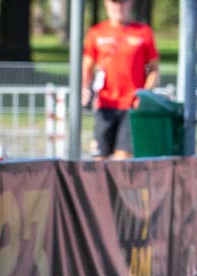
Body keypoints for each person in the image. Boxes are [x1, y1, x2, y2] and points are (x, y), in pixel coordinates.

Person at [82, 0, 158, 160]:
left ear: (130, 4)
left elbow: (153, 69)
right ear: (106, 4)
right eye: (114, 2)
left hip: (131, 106)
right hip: (105, 105)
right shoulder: (96, 32)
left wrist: (144, 95)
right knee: (99, 160)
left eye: (123, 2)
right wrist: (84, 86)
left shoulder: (143, 32)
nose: (119, 7)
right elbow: (87, 66)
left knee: (122, 161)